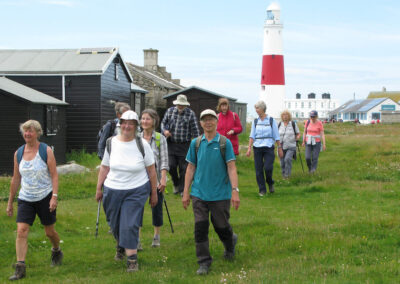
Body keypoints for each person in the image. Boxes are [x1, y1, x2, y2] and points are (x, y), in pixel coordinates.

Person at [95, 110, 158, 273]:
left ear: (136, 126)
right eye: (124, 122)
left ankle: (132, 260)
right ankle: (121, 245)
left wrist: (154, 192)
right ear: (119, 124)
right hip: (112, 189)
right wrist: (98, 188)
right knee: (114, 224)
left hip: (136, 189)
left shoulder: (141, 144)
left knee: (129, 224)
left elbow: (151, 170)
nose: (127, 126)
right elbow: (104, 167)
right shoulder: (111, 142)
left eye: (131, 123)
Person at [182, 109, 240, 275]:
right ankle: (204, 262)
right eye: (205, 120)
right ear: (201, 123)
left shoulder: (224, 143)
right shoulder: (196, 143)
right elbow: (190, 168)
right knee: (200, 227)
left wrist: (235, 191)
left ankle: (230, 243)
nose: (208, 122)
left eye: (211, 119)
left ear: (216, 122)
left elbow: (231, 167)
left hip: (220, 194)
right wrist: (186, 192)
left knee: (221, 226)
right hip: (199, 193)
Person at [6, 120, 63, 281]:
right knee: (22, 230)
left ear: (37, 133)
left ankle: (56, 250)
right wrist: (10, 202)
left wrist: (54, 196)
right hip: (26, 198)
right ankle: (20, 267)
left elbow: (54, 175)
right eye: (25, 131)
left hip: (45, 196)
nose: (27, 134)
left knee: (49, 232)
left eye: (30, 131)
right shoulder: (18, 153)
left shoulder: (45, 151)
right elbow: (16, 179)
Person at [138, 109, 169, 248]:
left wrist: (163, 179)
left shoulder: (159, 138)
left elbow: (164, 160)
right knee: (137, 208)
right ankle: (137, 239)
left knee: (156, 207)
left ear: (154, 121)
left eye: (147, 119)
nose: (144, 121)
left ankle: (156, 236)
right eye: (143, 118)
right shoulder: (136, 138)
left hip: (155, 180)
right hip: (138, 180)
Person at [161, 94, 200, 195]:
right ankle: (176, 183)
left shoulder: (190, 114)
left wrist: (197, 145)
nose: (180, 106)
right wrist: (165, 131)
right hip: (171, 143)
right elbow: (162, 123)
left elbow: (195, 130)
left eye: (182, 104)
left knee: (184, 168)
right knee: (171, 165)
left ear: (186, 105)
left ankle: (182, 189)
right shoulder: (170, 111)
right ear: (176, 103)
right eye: (179, 104)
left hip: (185, 145)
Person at [246, 101, 283, 196]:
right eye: (255, 108)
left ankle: (270, 182)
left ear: (262, 108)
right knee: (258, 170)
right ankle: (262, 190)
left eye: (257, 108)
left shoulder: (271, 120)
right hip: (257, 147)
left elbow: (276, 135)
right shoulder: (255, 121)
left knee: (268, 167)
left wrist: (279, 147)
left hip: (268, 146)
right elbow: (252, 136)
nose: (256, 110)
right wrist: (249, 148)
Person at [278, 110, 300, 178]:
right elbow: (276, 134)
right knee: (282, 162)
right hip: (281, 146)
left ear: (289, 116)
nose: (285, 116)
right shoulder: (279, 124)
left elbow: (298, 133)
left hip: (291, 145)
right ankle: (283, 175)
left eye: (286, 115)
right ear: (282, 116)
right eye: (283, 115)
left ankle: (287, 175)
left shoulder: (293, 124)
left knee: (287, 159)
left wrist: (297, 138)